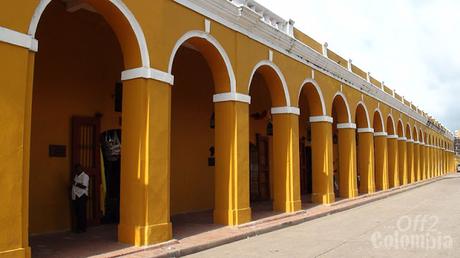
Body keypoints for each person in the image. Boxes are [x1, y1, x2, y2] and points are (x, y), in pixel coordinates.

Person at [72, 164, 89, 233]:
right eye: (76, 169)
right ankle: (78, 227)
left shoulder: (85, 176)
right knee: (77, 212)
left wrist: (75, 183)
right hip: (76, 195)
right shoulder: (76, 176)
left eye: (78, 169)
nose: (77, 170)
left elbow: (84, 186)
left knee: (81, 212)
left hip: (82, 195)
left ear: (81, 169)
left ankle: (82, 228)